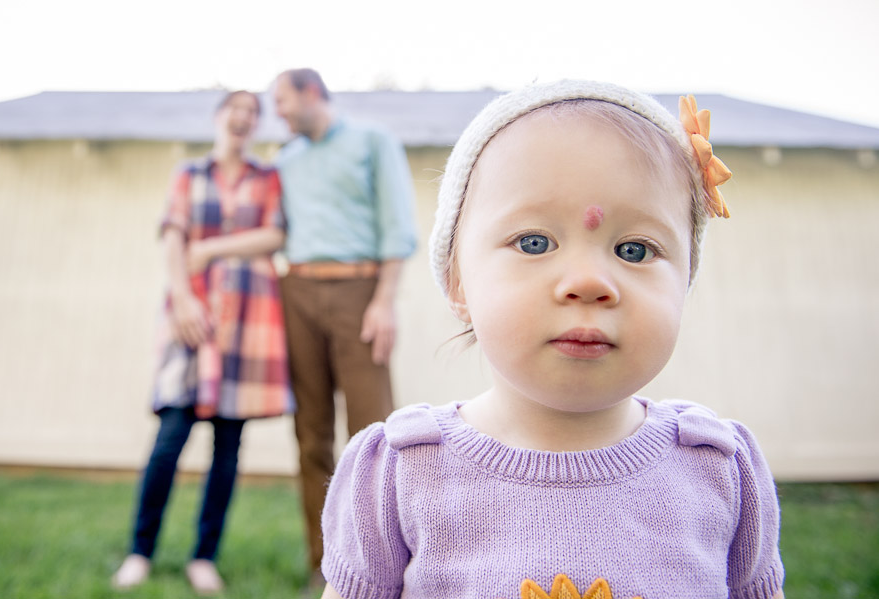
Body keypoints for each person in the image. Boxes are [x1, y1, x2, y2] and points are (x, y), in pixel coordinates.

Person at [317, 81, 785, 599]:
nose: (588, 281)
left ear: (686, 280)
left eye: (634, 250)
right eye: (534, 242)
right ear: (458, 282)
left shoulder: (718, 467)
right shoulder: (401, 472)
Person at [111, 90, 293, 595]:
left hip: (248, 324)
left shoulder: (268, 177)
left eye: (251, 113)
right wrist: (183, 301)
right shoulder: (188, 174)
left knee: (228, 447)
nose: (241, 119)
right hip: (191, 317)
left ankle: (203, 557)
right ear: (219, 119)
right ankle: (139, 552)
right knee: (169, 439)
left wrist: (211, 247)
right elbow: (172, 237)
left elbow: (274, 235)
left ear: (256, 124)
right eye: (233, 111)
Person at [269, 68, 417, 588]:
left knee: (374, 434)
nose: (278, 112)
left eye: (282, 101)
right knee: (310, 434)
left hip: (359, 290)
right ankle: (323, 565)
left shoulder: (372, 142)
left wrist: (384, 302)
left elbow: (397, 224)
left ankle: (384, 567)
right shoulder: (285, 160)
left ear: (311, 93)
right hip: (298, 292)